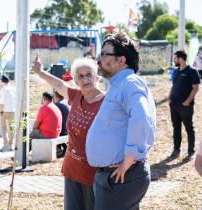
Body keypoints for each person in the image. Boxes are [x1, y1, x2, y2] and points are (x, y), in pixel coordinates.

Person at [86, 31, 156, 210]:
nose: (99, 59)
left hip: (121, 176)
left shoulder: (129, 83)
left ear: (121, 60)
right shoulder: (119, 84)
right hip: (115, 176)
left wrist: (128, 159)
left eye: (104, 54)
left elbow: (141, 118)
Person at [32, 54, 105, 210]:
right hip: (72, 168)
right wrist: (40, 72)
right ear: (76, 81)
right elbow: (58, 84)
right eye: (80, 76)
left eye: (88, 75)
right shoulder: (77, 95)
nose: (85, 79)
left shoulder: (107, 102)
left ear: (97, 77)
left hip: (94, 172)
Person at [169, 50, 200, 159]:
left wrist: (187, 101)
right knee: (176, 128)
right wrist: (170, 98)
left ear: (181, 59)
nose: (174, 60)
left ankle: (191, 151)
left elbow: (195, 88)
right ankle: (176, 150)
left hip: (185, 106)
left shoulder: (192, 71)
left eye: (175, 58)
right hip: (174, 105)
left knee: (189, 128)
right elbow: (173, 86)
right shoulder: (176, 71)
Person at [0, 75, 16, 152]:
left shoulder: (4, 89)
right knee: (11, 128)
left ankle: (5, 143)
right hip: (13, 111)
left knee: (3, 128)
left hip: (5, 110)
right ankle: (10, 144)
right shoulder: (13, 88)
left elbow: (2, 102)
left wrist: (0, 111)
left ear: (2, 81)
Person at [54, 90, 70, 156]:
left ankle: (58, 150)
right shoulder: (65, 105)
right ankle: (60, 149)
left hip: (61, 131)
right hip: (67, 130)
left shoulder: (56, 106)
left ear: (55, 96)